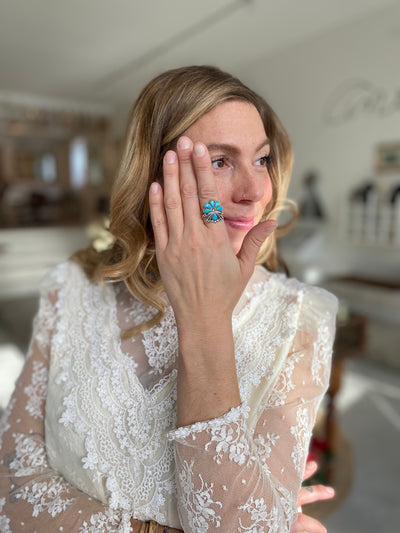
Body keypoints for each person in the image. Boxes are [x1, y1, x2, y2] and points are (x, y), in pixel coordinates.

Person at [0, 66, 337, 532]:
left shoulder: (302, 318)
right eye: (219, 161)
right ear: (154, 176)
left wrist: (204, 322)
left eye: (261, 160)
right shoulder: (71, 290)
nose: (254, 191)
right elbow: (13, 484)